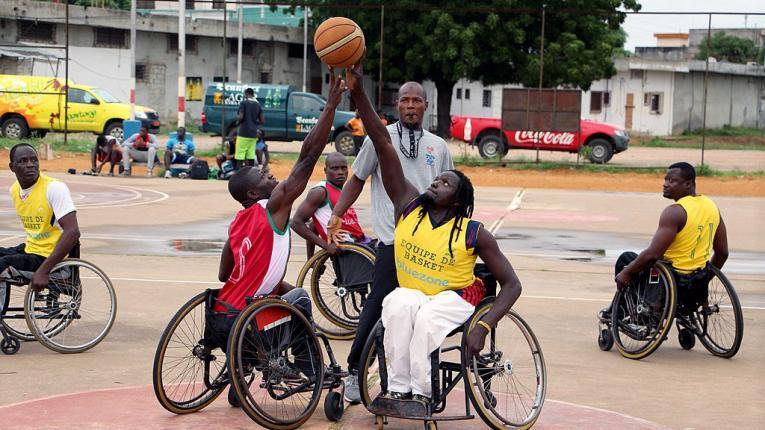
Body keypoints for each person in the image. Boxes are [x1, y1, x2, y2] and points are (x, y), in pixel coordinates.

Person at [344, 60, 522, 408]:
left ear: (456, 198)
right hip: (411, 282)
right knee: (392, 305)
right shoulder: (409, 207)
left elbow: (513, 284)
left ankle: (423, 394)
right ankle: (394, 387)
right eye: (436, 180)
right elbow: (382, 142)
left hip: (451, 296)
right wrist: (358, 92)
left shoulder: (472, 232)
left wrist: (483, 326)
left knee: (424, 318)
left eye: (444, 182)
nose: (435, 182)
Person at [204, 70, 346, 371]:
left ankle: (243, 369)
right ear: (255, 192)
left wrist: (275, 285)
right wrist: (330, 107)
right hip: (250, 320)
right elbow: (307, 158)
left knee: (289, 293)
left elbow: (225, 275)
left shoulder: (237, 223)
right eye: (266, 176)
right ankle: (309, 370)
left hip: (221, 316)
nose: (273, 175)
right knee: (302, 301)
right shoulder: (273, 207)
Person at [328, 80, 453, 403]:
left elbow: (451, 193)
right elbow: (356, 179)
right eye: (405, 101)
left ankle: (419, 380)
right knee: (378, 304)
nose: (410, 106)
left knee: (425, 313)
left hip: (429, 245)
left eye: (416, 101)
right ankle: (356, 370)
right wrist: (338, 213)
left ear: (426, 106)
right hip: (393, 240)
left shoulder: (438, 146)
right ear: (397, 105)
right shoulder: (379, 140)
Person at [599, 162, 728, 320]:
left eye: (672, 181)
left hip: (670, 280)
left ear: (688, 184)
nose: (665, 184)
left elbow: (653, 255)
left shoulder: (675, 212)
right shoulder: (711, 207)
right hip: (696, 281)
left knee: (627, 259)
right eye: (665, 179)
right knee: (645, 262)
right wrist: (703, 280)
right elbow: (722, 253)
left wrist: (626, 272)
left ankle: (619, 312)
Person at [0, 144, 80, 313]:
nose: (30, 164)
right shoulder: (15, 189)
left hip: (51, 257)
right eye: (23, 161)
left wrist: (43, 271)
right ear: (12, 167)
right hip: (32, 250)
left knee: (2, 266)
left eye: (34, 160)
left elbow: (73, 232)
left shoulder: (54, 188)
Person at [290, 152, 367, 259]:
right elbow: (296, 223)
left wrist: (311, 258)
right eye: (335, 168)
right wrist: (326, 246)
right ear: (326, 171)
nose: (340, 172)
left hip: (359, 243)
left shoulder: (344, 191)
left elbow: (314, 226)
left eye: (343, 168)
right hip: (346, 250)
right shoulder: (320, 191)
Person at [236, 87, 265, 169]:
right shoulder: (258, 105)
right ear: (253, 94)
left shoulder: (243, 103)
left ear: (246, 94)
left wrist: (237, 120)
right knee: (251, 155)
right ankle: (251, 175)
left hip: (243, 133)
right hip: (253, 134)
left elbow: (241, 117)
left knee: (240, 156)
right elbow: (262, 121)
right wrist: (254, 123)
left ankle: (238, 176)